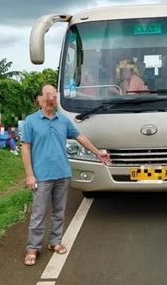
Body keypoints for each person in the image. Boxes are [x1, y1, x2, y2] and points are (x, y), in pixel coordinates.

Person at [22, 85, 112, 266]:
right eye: (46, 95)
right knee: (39, 214)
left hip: (62, 174)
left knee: (59, 212)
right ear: (38, 100)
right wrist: (29, 175)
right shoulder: (30, 122)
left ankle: (55, 242)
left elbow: (80, 138)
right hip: (41, 176)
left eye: (53, 96)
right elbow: (25, 148)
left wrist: (98, 152)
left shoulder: (63, 121)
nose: (50, 99)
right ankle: (33, 248)